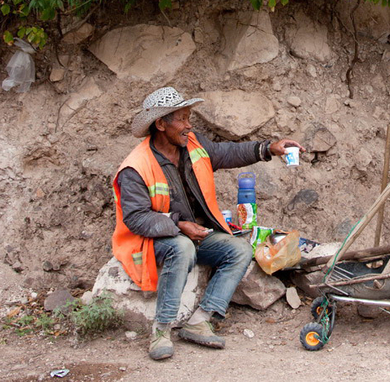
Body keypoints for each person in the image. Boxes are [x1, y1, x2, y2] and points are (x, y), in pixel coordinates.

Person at [111, 86, 304, 360]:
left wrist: (268, 148)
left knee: (239, 250)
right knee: (182, 248)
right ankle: (161, 330)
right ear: (161, 124)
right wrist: (180, 225)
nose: (188, 125)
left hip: (192, 233)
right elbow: (136, 218)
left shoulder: (193, 144)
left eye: (188, 117)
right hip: (152, 241)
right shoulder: (136, 167)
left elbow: (226, 153)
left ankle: (200, 320)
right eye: (182, 119)